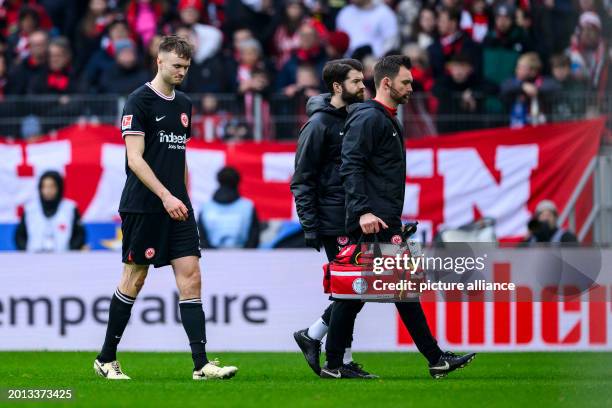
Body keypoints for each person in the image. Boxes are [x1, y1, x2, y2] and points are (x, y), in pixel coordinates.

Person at [321, 55, 476, 379]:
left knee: (367, 293)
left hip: (381, 216)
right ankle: (433, 359)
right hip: (373, 218)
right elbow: (350, 166)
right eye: (406, 82)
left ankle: (335, 363)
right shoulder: (370, 118)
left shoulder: (383, 118)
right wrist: (363, 210)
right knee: (383, 291)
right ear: (387, 82)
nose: (411, 88)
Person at [93, 35, 238, 381]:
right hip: (144, 205)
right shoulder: (139, 100)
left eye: (186, 67)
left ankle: (201, 364)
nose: (182, 72)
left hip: (177, 205)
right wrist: (165, 196)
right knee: (135, 278)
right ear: (159, 61)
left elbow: (180, 155)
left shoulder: (184, 103)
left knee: (192, 277)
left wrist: (182, 195)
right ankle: (105, 358)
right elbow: (135, 159)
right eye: (176, 65)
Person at [290, 58, 374, 378]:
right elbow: (303, 178)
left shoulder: (355, 118)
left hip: (354, 216)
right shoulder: (318, 125)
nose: (362, 86)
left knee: (356, 288)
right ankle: (336, 356)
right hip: (333, 219)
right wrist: (310, 225)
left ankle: (315, 337)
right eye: (356, 81)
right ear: (338, 87)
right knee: (351, 289)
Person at [14, 170, 86, 252]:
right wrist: (26, 251)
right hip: (33, 259)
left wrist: (71, 251)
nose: (48, 190)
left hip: (64, 259)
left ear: (59, 187)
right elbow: (19, 236)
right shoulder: (30, 209)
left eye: (52, 186)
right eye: (44, 186)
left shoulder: (70, 208)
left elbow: (79, 235)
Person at [198, 166, 260, 249]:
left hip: (212, 258)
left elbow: (201, 238)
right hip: (244, 258)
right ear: (238, 182)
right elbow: (254, 238)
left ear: (218, 181)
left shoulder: (205, 207)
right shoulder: (248, 206)